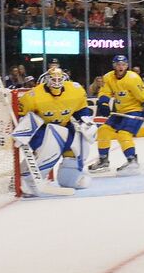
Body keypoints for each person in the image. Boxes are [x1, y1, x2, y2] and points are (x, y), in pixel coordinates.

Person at [13, 65, 95, 193]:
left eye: (59, 79)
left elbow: (81, 110)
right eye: (53, 79)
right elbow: (22, 117)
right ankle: (27, 179)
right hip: (42, 129)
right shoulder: (32, 96)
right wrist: (22, 131)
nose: (56, 83)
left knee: (79, 145)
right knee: (51, 148)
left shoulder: (76, 90)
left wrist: (86, 121)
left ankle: (70, 178)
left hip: (64, 126)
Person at [92, 53, 144, 176]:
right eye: (118, 64)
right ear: (114, 66)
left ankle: (132, 160)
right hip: (120, 111)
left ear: (127, 66)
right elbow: (104, 93)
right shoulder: (108, 77)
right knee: (103, 130)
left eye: (123, 64)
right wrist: (104, 104)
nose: (121, 67)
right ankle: (103, 160)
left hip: (136, 110)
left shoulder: (133, 78)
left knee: (123, 134)